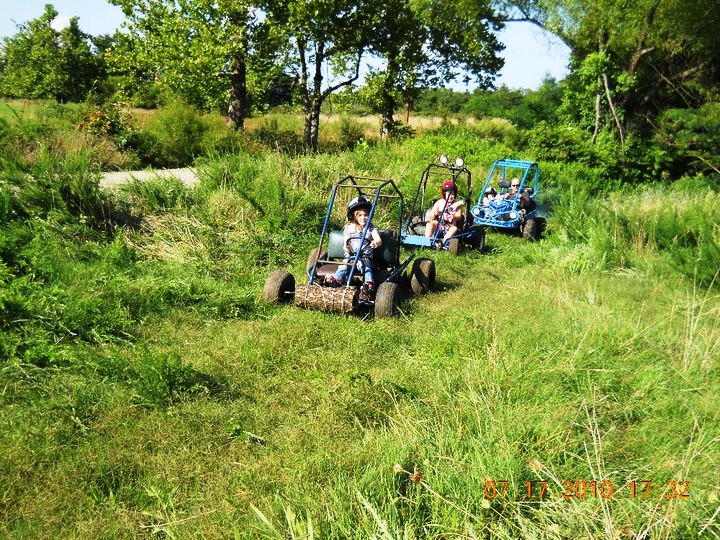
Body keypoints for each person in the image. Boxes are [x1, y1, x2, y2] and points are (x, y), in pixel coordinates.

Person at [326, 196, 382, 299]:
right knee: (343, 266)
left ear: (370, 215)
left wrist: (375, 243)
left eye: (366, 215)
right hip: (350, 257)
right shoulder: (349, 228)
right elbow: (345, 242)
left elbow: (378, 240)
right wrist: (346, 247)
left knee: (366, 268)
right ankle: (337, 281)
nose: (363, 218)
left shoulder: (371, 228)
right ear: (354, 216)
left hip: (364, 257)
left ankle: (368, 285)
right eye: (360, 215)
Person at [425, 180, 464, 245]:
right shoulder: (439, 202)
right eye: (448, 194)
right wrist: (435, 213)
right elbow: (431, 215)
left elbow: (459, 216)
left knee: (454, 229)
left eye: (452, 194)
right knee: (429, 224)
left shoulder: (457, 205)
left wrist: (454, 217)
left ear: (455, 195)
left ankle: (444, 242)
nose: (450, 196)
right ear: (444, 194)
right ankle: (427, 240)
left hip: (449, 225)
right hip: (438, 223)